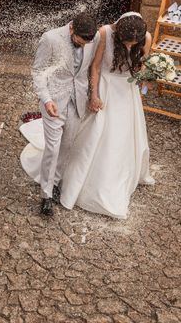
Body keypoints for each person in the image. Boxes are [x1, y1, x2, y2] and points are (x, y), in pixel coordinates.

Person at [58, 12, 155, 219]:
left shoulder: (146, 37)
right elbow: (94, 66)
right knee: (100, 132)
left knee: (124, 136)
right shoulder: (105, 33)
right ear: (118, 32)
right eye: (126, 42)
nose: (130, 47)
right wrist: (93, 95)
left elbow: (143, 66)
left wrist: (148, 78)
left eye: (134, 43)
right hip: (107, 86)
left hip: (128, 92)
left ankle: (123, 175)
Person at [21, 13, 99, 216]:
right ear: (72, 29)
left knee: (67, 144)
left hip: (78, 100)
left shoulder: (95, 37)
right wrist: (46, 99)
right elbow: (38, 71)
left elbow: (89, 67)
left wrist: (92, 94)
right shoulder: (50, 38)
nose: (82, 47)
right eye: (79, 42)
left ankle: (55, 181)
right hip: (54, 101)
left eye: (85, 44)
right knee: (53, 148)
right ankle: (46, 195)